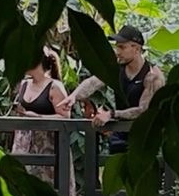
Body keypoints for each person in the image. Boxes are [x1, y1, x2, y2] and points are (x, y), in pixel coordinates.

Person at [68, 25, 165, 154]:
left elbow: (143, 111)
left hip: (144, 137)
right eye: (116, 46)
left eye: (122, 47)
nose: (117, 51)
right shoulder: (116, 69)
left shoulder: (152, 76)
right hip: (120, 135)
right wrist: (72, 97)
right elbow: (92, 83)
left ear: (136, 49)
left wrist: (112, 114)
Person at [12, 49, 76, 196]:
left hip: (48, 147)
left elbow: (65, 117)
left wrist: (37, 117)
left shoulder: (55, 86)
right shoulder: (24, 84)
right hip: (23, 145)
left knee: (48, 193)